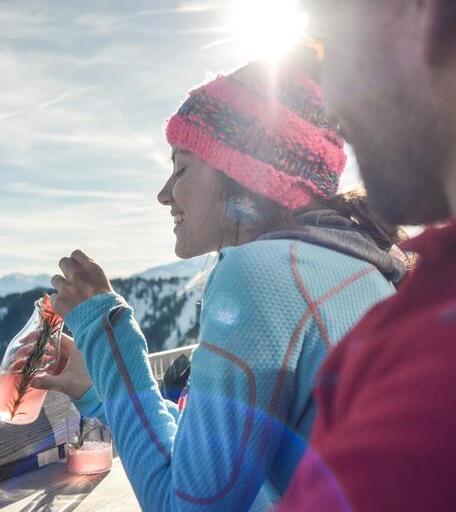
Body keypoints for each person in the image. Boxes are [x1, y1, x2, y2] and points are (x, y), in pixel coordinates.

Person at [33, 55, 404, 510]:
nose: (165, 192)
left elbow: (185, 505)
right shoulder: (349, 264)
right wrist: (101, 388)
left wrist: (102, 327)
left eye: (183, 167)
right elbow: (214, 458)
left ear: (244, 172)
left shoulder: (264, 272)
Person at [279, 0, 456, 511]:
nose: (332, 110)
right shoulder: (425, 296)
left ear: (418, 12)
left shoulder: (427, 388)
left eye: (327, 45)